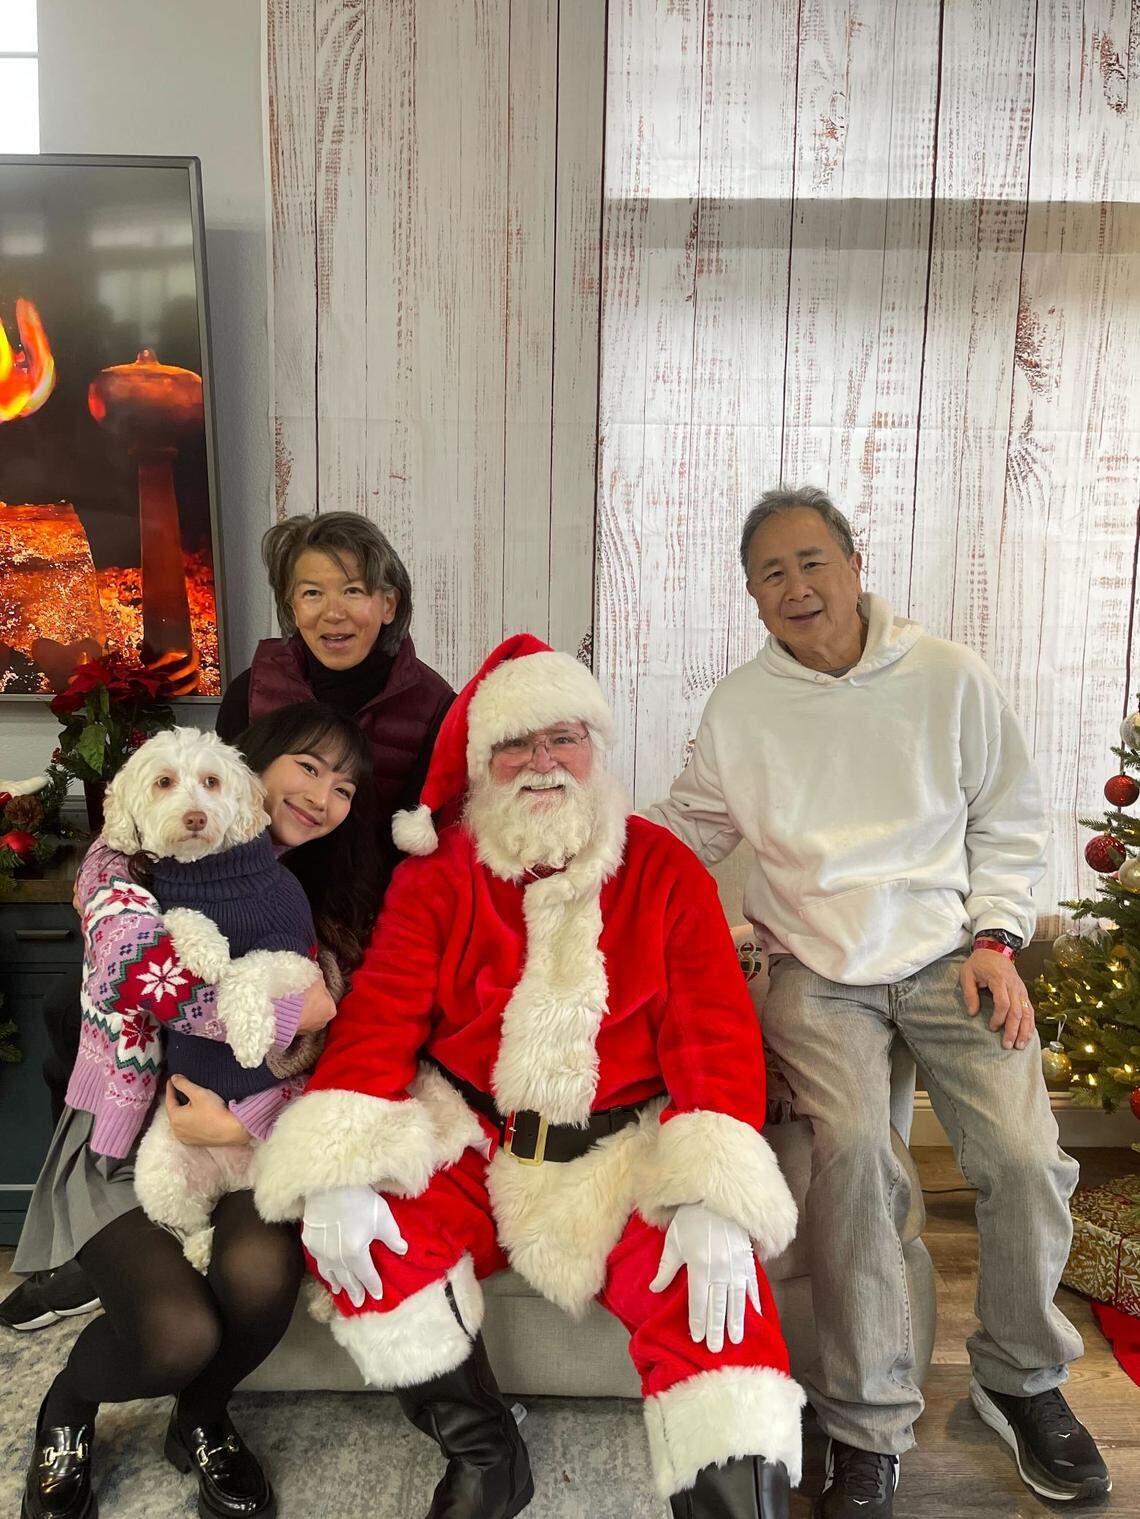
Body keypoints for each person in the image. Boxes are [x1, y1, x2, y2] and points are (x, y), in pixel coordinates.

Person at [254, 635, 804, 1519]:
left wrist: (712, 1193)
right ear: (481, 765)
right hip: (473, 1139)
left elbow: (715, 1037)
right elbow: (380, 1016)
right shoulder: (439, 875)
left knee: (717, 1306)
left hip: (622, 1153)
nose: (543, 763)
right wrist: (338, 1161)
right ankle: (486, 1454)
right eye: (516, 744)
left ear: (596, 748)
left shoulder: (662, 868)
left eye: (563, 737)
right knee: (356, 1234)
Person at [645, 486, 1111, 1517]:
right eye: (771, 573)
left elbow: (1008, 816)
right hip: (816, 969)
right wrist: (562, 841)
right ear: (753, 598)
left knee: (1028, 1159)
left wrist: (997, 936)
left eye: (812, 561)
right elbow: (683, 826)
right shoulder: (742, 707)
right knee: (854, 1161)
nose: (796, 586)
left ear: (856, 564)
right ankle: (868, 1422)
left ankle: (1020, 1376)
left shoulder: (948, 675)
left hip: (953, 954)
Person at [15, 703, 377, 1519]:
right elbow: (147, 983)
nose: (321, 797)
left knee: (260, 1277)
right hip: (120, 1133)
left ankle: (202, 1417)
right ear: (261, 764)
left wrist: (243, 1122)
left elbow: (336, 1052)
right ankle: (68, 1403)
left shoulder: (310, 887)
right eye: (307, 768)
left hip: (244, 1125)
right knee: (177, 1333)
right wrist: (296, 1009)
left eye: (343, 786)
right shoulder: (121, 863)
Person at [216, 511, 453, 883]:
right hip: (253, 897)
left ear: (389, 604)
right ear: (292, 606)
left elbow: (434, 849)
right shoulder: (250, 691)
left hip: (377, 913)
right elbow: (208, 806)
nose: (333, 613)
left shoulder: (435, 707)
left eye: (353, 591)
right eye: (312, 593)